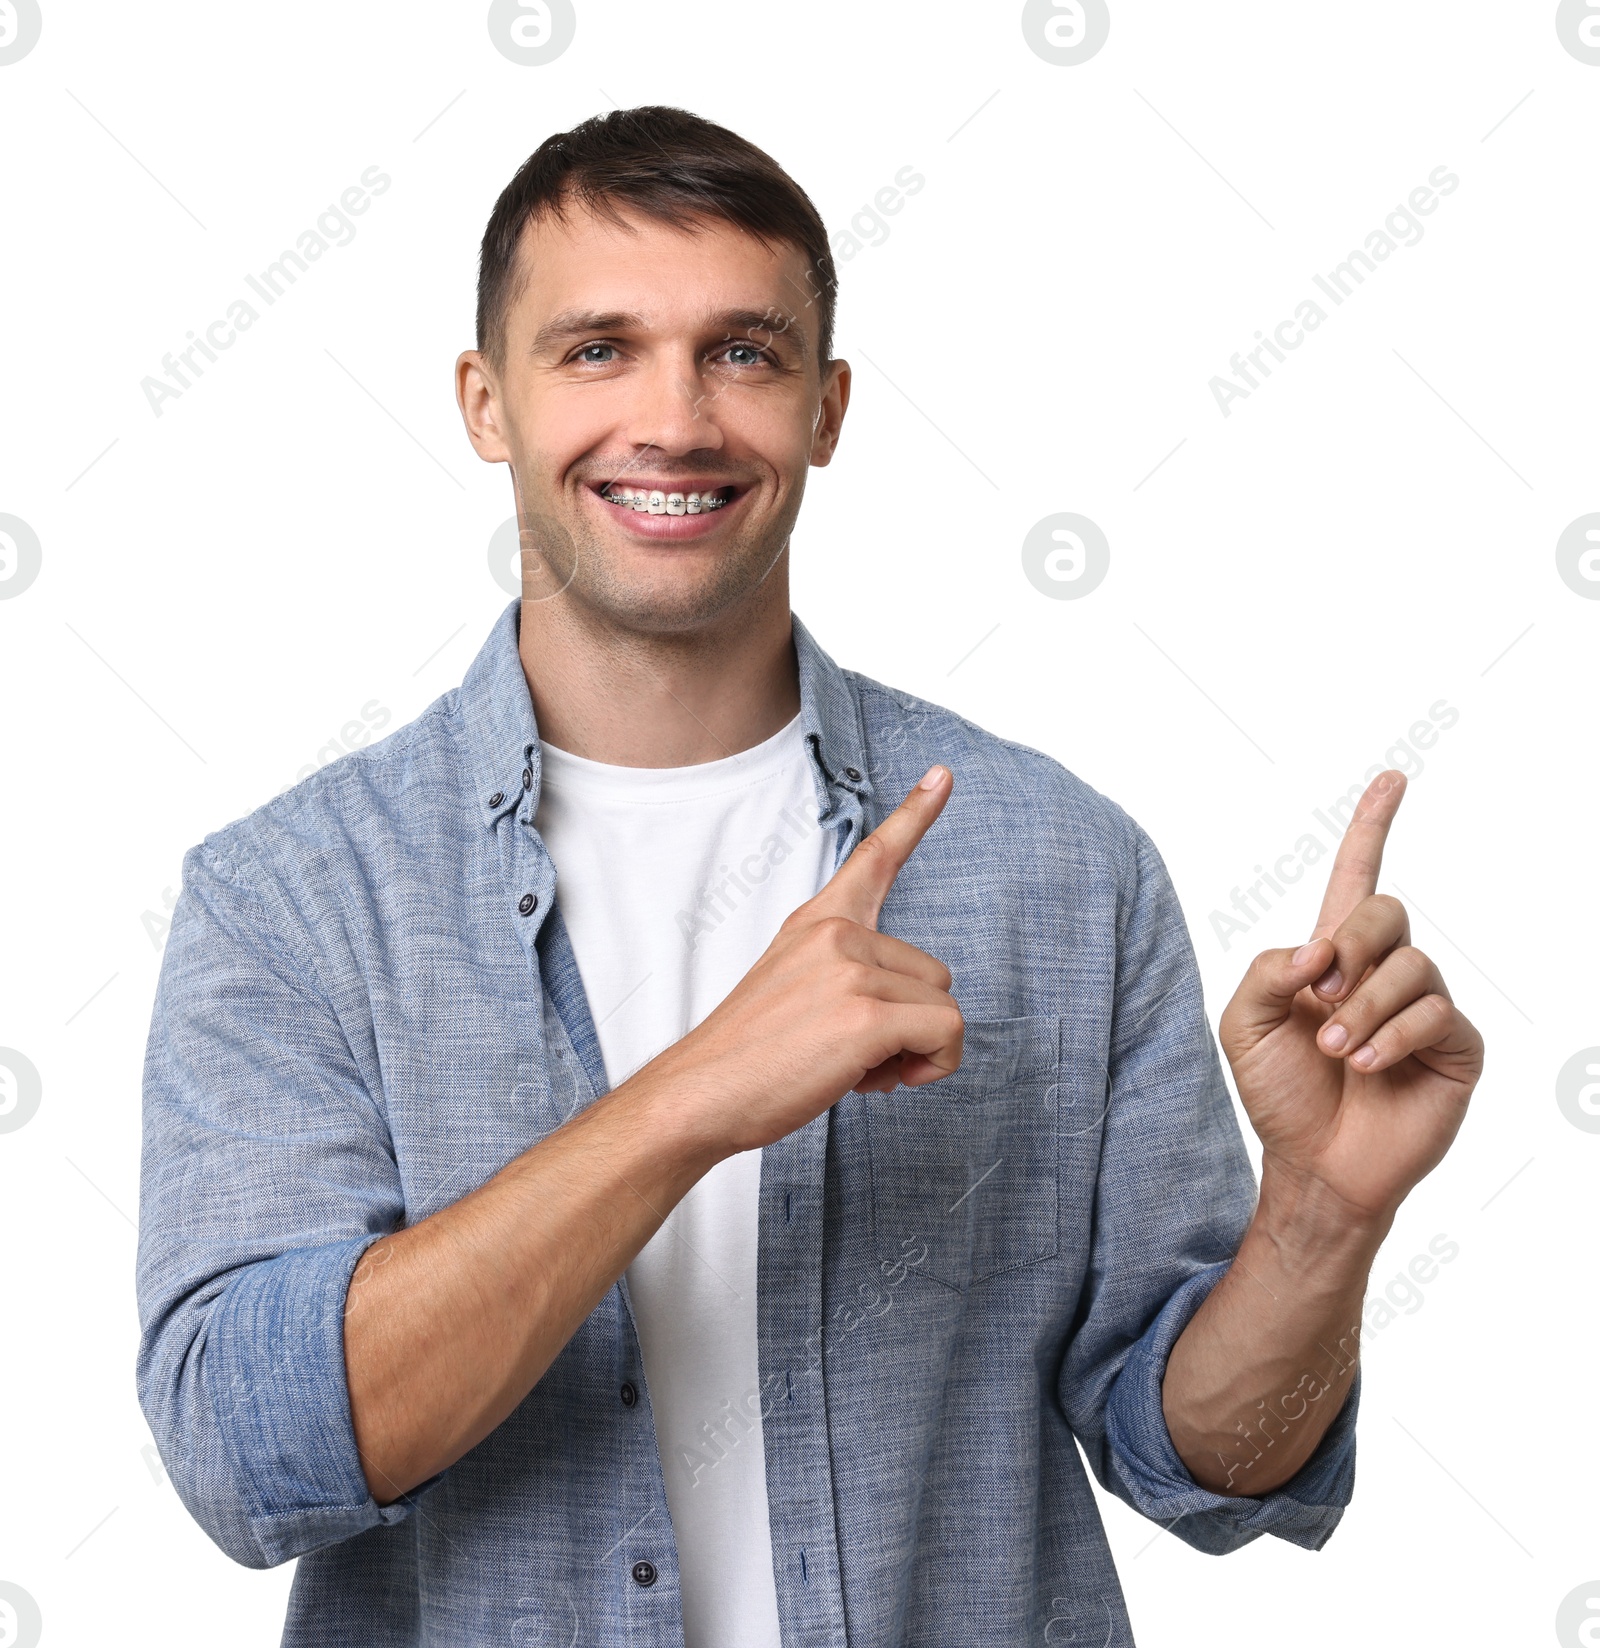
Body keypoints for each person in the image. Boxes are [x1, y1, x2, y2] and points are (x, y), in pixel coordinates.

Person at [135, 106, 1484, 1648]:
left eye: (743, 354)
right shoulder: (291, 899)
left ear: (826, 408)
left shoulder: (1060, 864)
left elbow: (1205, 1468)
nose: (676, 420)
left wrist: (1321, 1216)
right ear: (483, 400)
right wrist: (702, 1089)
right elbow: (252, 1456)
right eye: (596, 351)